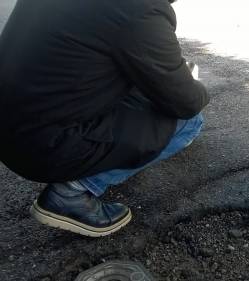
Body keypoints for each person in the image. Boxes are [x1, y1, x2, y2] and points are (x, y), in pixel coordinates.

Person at [0, 0, 209, 237]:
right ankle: (71, 192)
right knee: (188, 123)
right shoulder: (139, 11)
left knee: (146, 90)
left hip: (13, 120)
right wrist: (195, 85)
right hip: (39, 147)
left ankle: (102, 160)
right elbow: (185, 102)